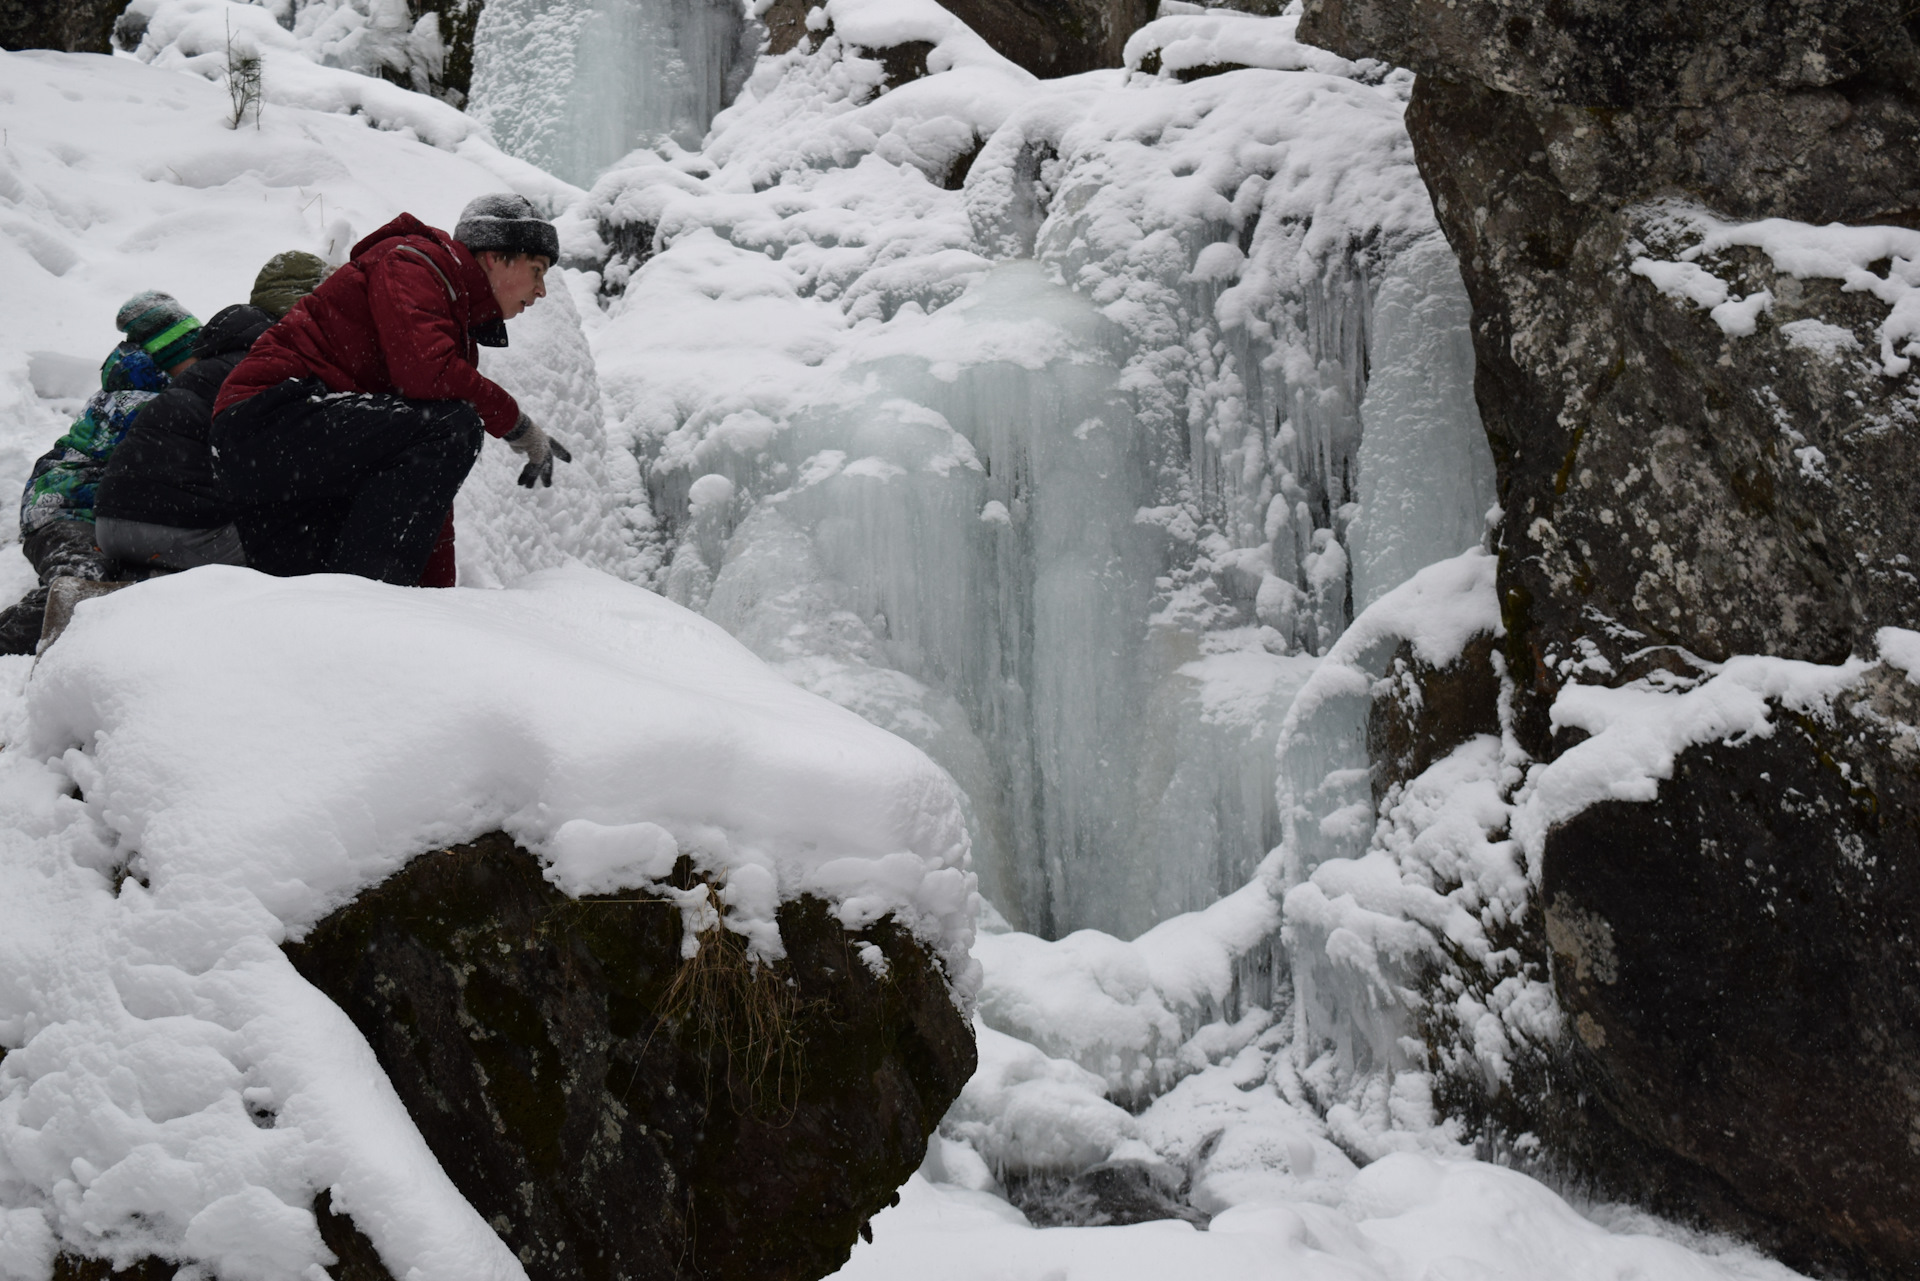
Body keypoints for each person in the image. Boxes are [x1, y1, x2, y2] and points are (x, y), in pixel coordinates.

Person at [211, 194, 570, 586]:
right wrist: (515, 423)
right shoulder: (414, 263)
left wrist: (446, 602)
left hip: (297, 456)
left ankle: (371, 618)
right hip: (266, 420)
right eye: (537, 270)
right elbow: (428, 375)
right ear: (494, 255)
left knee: (312, 597)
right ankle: (372, 603)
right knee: (454, 426)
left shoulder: (450, 318)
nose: (541, 291)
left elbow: (426, 498)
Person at [93, 252, 331, 574]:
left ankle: (137, 583)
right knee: (316, 539)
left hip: (110, 520)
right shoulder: (276, 363)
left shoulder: (217, 361)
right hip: (178, 526)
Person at [0, 293, 201, 654]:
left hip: (98, 511)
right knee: (79, 580)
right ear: (170, 359)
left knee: (119, 578)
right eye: (195, 357)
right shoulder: (146, 403)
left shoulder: (146, 385)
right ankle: (8, 640)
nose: (204, 365)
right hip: (63, 508)